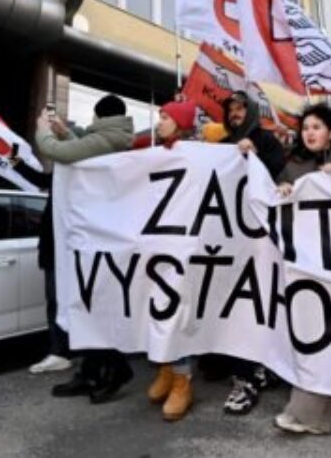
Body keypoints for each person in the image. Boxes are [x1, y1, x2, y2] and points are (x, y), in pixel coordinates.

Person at [273, 103, 331, 436]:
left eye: (317, 127)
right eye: (305, 128)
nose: (309, 133)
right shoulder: (294, 164)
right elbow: (276, 199)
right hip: (308, 265)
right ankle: (311, 413)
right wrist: (283, 191)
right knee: (315, 333)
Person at [35, 94, 136, 404]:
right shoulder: (114, 136)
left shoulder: (108, 139)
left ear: (99, 115)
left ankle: (116, 368)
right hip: (96, 232)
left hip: (96, 236)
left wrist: (44, 130)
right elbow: (81, 145)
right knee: (87, 305)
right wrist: (65, 130)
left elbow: (59, 152)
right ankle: (90, 371)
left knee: (92, 306)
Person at [216, 91, 286, 415]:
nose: (235, 113)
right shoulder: (221, 146)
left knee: (252, 305)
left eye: (241, 108)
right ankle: (249, 369)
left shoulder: (266, 140)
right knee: (232, 306)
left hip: (258, 239)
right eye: (231, 109)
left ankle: (247, 377)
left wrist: (254, 154)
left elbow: (277, 174)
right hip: (227, 239)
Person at [143, 100, 201, 422]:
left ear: (179, 122)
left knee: (178, 312)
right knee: (159, 308)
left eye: (164, 117)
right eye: (159, 116)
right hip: (161, 244)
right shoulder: (160, 153)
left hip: (184, 247)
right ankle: (166, 368)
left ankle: (183, 380)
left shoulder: (194, 154)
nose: (159, 122)